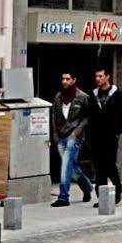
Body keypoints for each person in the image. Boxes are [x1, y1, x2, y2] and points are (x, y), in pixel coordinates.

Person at [49, 71, 93, 206]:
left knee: (66, 164)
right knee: (71, 167)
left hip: (74, 137)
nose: (65, 82)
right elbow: (54, 118)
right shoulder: (58, 97)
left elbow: (87, 117)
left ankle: (63, 197)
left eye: (68, 79)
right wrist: (55, 136)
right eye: (63, 79)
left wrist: (76, 132)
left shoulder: (82, 97)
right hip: (61, 136)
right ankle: (87, 186)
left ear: (74, 80)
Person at [89, 65, 122, 205]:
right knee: (99, 167)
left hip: (111, 137)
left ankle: (117, 191)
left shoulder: (118, 94)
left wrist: (117, 132)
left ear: (108, 77)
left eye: (100, 76)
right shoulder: (94, 95)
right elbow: (90, 117)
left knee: (109, 165)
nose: (98, 79)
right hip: (96, 138)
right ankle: (102, 198)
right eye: (96, 76)